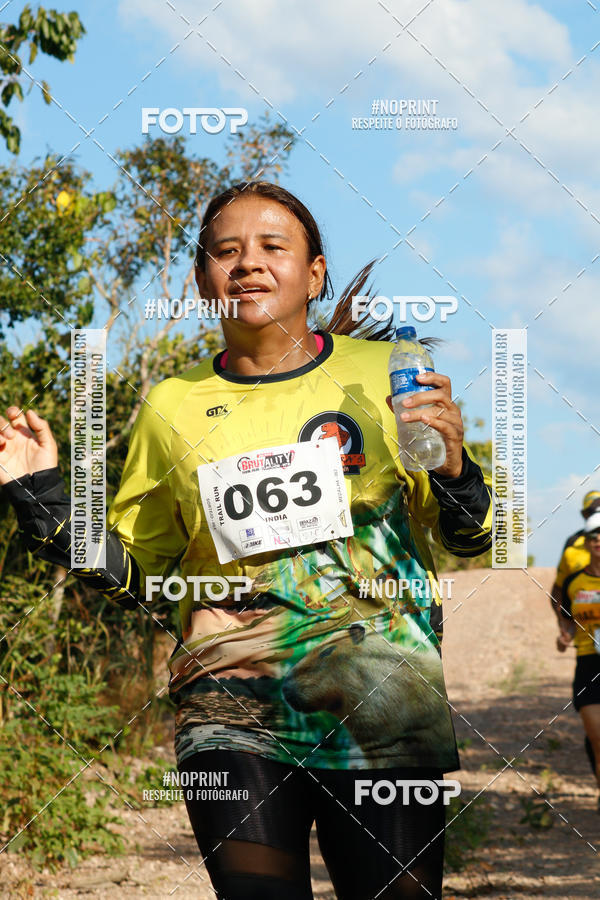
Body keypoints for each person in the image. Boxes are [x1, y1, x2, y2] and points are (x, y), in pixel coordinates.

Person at [0, 181, 493, 899]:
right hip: (230, 707)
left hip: (384, 699)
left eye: (272, 247)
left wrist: (454, 467)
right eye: (225, 252)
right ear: (202, 281)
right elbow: (142, 573)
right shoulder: (173, 405)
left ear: (315, 273)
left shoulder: (386, 373)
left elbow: (470, 536)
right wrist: (42, 498)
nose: (248, 264)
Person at [551, 490, 600, 773]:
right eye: (591, 510)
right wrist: (565, 630)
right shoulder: (572, 547)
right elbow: (559, 595)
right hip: (587, 653)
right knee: (596, 736)